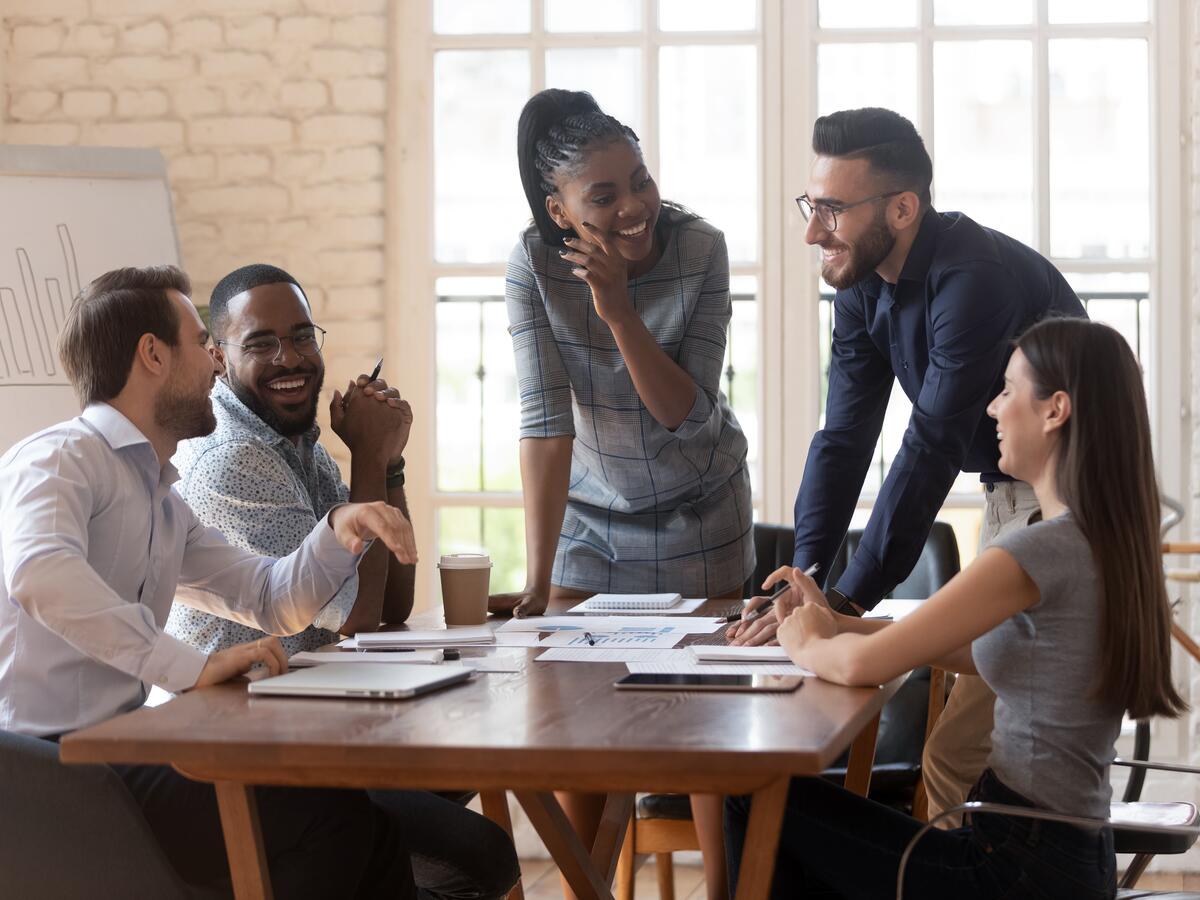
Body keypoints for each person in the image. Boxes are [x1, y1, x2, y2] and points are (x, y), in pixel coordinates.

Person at [0, 265, 426, 898]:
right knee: (332, 821)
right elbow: (38, 571)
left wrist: (341, 526)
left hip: (114, 756)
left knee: (366, 827)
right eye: (202, 344)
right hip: (45, 776)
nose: (216, 364)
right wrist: (187, 665)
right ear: (152, 354)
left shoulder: (162, 498)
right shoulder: (60, 458)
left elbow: (271, 599)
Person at [726, 316, 1186, 899]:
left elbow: (858, 669)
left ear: (1055, 410)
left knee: (754, 795)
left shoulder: (1035, 549)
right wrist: (840, 622)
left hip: (1012, 870)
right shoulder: (1100, 538)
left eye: (1009, 390)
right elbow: (974, 646)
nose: (992, 409)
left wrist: (803, 636)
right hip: (1061, 859)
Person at [728, 107, 1086, 825]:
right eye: (810, 205)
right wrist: (805, 579)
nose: (811, 231)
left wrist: (847, 604)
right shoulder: (860, 284)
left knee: (959, 753)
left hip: (1070, 497)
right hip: (1015, 492)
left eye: (831, 210)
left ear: (901, 207)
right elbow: (845, 438)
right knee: (961, 754)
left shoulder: (969, 277)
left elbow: (930, 445)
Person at [167, 263, 519, 900]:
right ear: (218, 358)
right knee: (481, 857)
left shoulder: (291, 437)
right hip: (252, 755)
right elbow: (354, 611)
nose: (289, 357)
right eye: (262, 343)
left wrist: (389, 464)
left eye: (303, 336)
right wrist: (367, 456)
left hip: (321, 729)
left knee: (458, 771)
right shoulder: (232, 457)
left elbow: (394, 601)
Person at [496, 88, 754, 899]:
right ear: (558, 208)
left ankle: (724, 891)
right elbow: (544, 424)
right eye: (604, 196)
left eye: (639, 181)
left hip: (701, 506)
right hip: (594, 519)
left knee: (707, 736)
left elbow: (685, 411)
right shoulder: (533, 264)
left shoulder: (699, 248)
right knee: (580, 737)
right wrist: (539, 581)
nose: (634, 206)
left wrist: (616, 312)